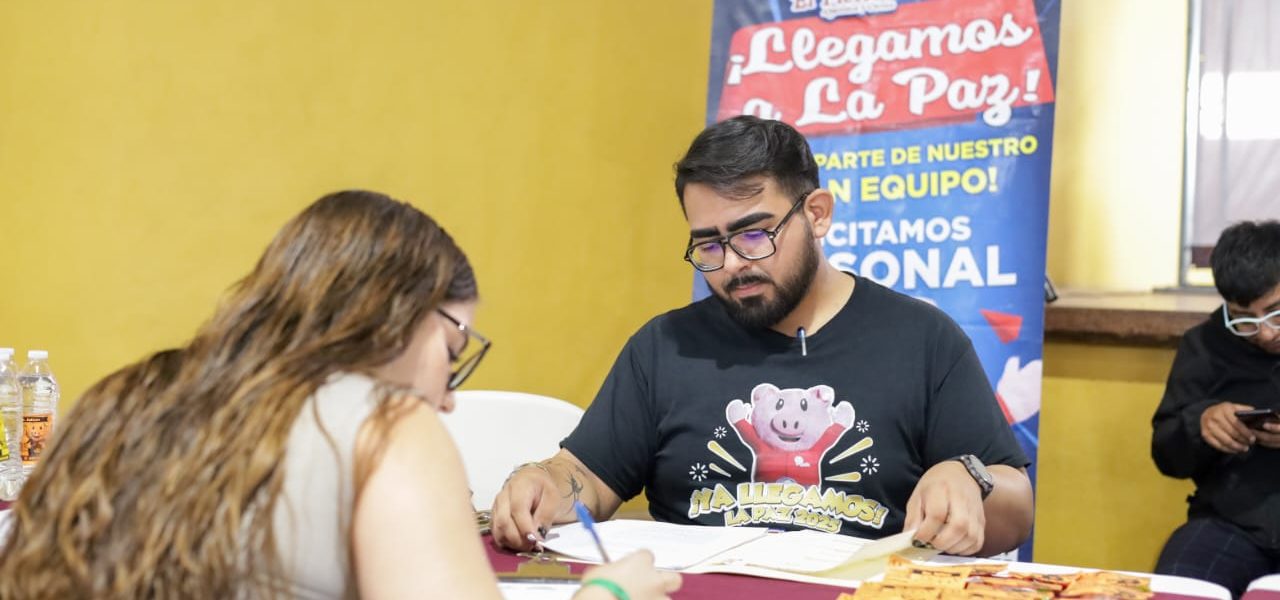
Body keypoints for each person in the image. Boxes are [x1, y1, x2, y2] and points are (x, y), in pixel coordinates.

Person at [0, 191, 681, 599]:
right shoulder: (389, 429)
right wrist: (608, 592)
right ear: (397, 318)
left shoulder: (129, 395)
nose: (447, 400)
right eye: (451, 354)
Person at [493, 116, 1034, 557]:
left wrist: (968, 476)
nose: (732, 264)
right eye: (708, 245)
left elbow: (1016, 505)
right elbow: (588, 476)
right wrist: (542, 479)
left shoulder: (921, 339)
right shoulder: (665, 346)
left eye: (753, 234)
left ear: (816, 214)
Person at [1152, 220, 1280, 597]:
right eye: (1244, 320)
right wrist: (1200, 424)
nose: (1265, 333)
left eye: (1275, 313)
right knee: (1178, 585)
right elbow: (1166, 457)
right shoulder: (1204, 346)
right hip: (1230, 524)